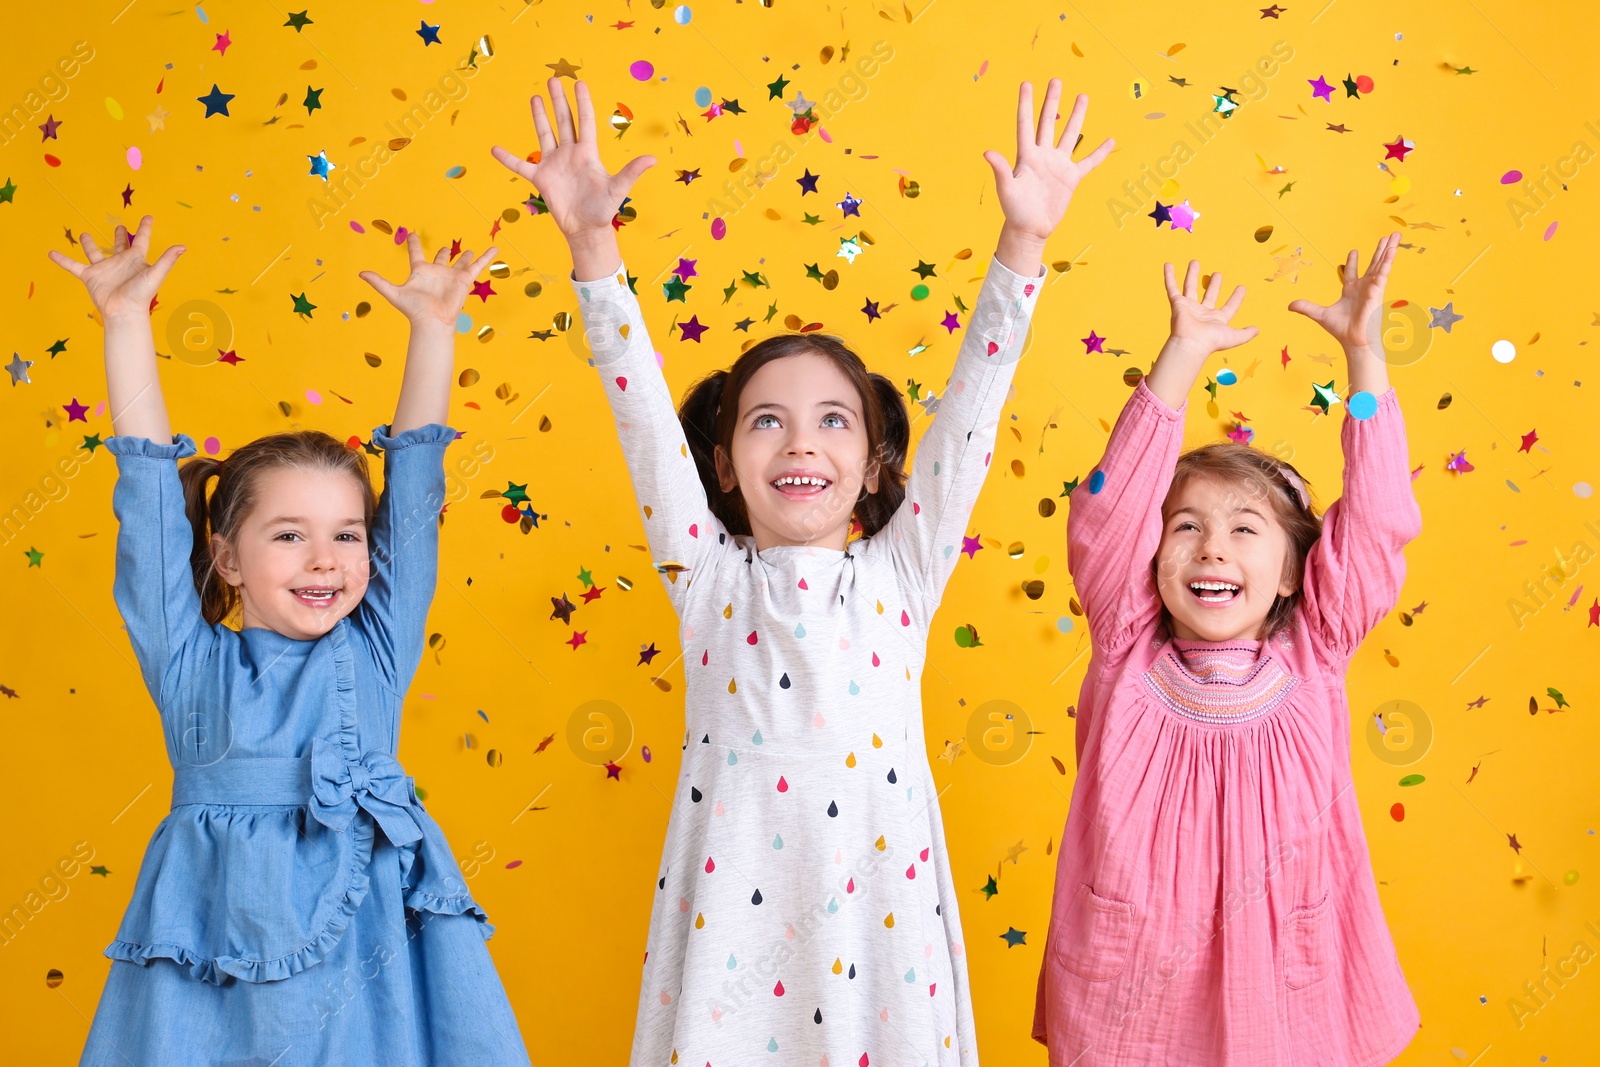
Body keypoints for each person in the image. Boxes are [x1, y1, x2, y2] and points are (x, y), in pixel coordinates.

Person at [52, 217, 532, 1066]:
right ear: (228, 558)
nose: (326, 560)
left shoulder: (375, 650)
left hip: (369, 953)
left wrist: (431, 330)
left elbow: (414, 490)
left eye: (349, 535)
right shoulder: (191, 662)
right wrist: (126, 323)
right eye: (288, 537)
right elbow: (150, 504)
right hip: (215, 942)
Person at [1033, 235, 1421, 1065]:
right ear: (1152, 553)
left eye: (1246, 530)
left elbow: (1382, 520)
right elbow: (1106, 514)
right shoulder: (1126, 644)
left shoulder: (1317, 647)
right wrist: (1182, 356)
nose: (1213, 550)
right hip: (1135, 990)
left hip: (1285, 990)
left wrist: (1364, 358)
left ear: (1292, 572)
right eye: (1187, 527)